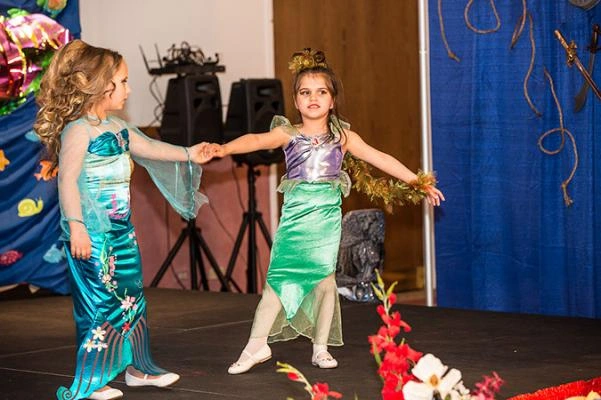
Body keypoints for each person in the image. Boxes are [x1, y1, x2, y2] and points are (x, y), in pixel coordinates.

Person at [207, 48, 445, 375]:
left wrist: (417, 181)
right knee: (277, 278)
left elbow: (380, 158)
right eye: (305, 92)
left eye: (321, 92)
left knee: (324, 280)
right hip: (295, 218)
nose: (313, 98)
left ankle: (320, 347)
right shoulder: (288, 134)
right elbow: (256, 140)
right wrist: (225, 148)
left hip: (325, 218)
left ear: (332, 101)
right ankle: (257, 344)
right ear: (296, 100)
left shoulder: (343, 137)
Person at [35, 39, 212, 400]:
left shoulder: (117, 127)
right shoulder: (78, 130)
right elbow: (67, 180)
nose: (129, 90)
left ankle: (137, 369)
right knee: (99, 302)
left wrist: (189, 153)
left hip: (121, 234)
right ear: (100, 85)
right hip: (92, 235)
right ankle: (93, 379)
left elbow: (151, 148)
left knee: (131, 299)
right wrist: (76, 227)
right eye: (124, 82)